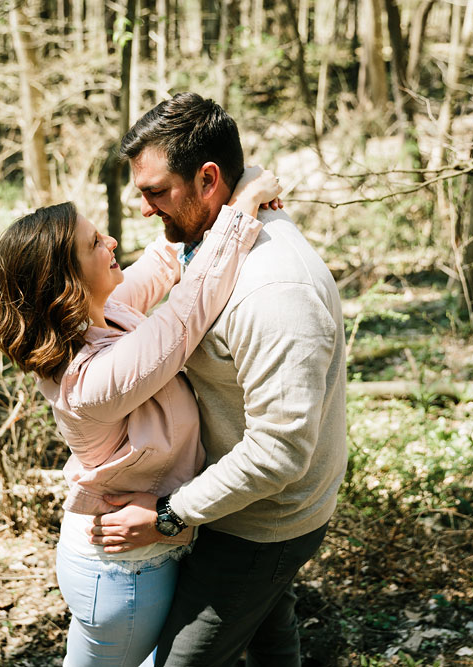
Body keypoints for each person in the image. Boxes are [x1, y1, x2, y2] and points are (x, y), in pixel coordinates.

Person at [0, 168, 282, 667]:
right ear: (67, 281)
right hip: (124, 577)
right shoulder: (92, 378)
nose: (112, 240)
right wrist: (242, 207)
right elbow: (185, 312)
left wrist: (201, 213)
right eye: (96, 241)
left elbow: (163, 266)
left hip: (128, 560)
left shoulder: (100, 315)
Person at [88, 92, 348, 667]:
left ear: (208, 180)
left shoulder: (274, 289)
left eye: (157, 192)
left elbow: (280, 452)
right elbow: (166, 269)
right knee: (271, 639)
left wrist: (164, 515)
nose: (147, 211)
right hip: (230, 501)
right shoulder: (206, 241)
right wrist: (248, 191)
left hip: (262, 522)